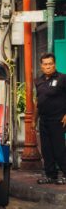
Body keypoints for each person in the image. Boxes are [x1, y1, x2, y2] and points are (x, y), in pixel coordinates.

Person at [33, 52, 66, 185]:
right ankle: (50, 175)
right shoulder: (39, 81)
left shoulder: (63, 78)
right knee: (46, 150)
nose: (48, 66)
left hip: (58, 120)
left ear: (55, 64)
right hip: (44, 120)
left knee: (59, 149)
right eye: (45, 64)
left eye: (50, 64)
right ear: (41, 66)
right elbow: (38, 101)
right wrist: (34, 120)